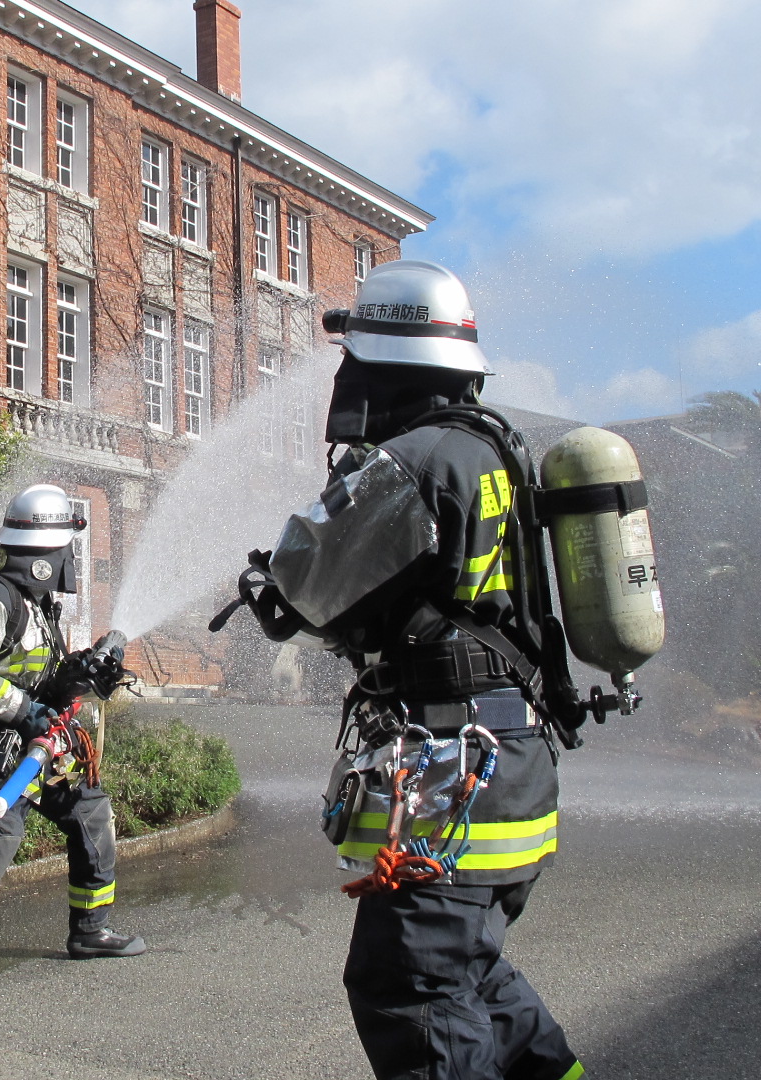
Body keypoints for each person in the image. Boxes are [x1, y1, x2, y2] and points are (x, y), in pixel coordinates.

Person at [228, 260, 581, 1080]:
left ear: (385, 362)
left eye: (355, 360)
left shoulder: (409, 462)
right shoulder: (492, 450)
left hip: (457, 785)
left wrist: (275, 575)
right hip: (510, 769)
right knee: (473, 976)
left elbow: (304, 590)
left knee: (410, 993)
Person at [0, 485, 145, 961]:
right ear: (44, 552)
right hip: (4, 753)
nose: (70, 556)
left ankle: (91, 929)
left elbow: (36, 675)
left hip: (43, 750)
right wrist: (24, 711)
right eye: (66, 544)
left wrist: (81, 674)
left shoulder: (35, 601)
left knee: (91, 814)